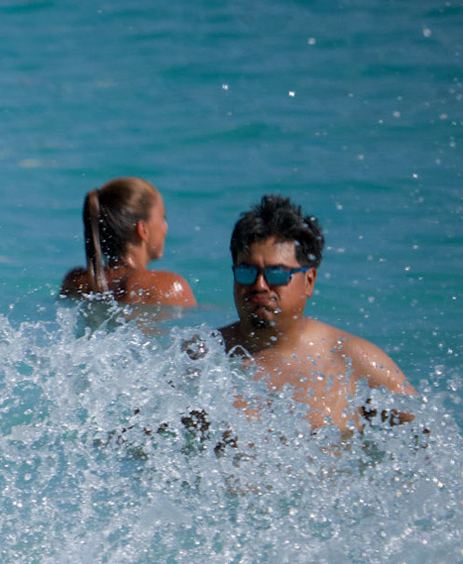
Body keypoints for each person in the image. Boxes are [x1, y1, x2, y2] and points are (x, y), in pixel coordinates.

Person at [213, 194, 415, 434]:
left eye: (277, 274)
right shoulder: (203, 360)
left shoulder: (355, 363)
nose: (260, 285)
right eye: (246, 272)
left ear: (309, 281)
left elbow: (433, 446)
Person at [59, 177, 194, 307]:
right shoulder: (163, 285)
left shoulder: (77, 282)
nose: (166, 227)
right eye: (163, 218)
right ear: (143, 229)